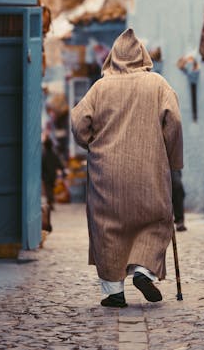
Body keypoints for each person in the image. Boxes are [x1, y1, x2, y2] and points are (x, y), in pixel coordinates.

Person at [71, 28, 183, 308]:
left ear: (112, 58)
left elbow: (78, 123)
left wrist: (90, 144)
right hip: (149, 172)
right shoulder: (158, 85)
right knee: (156, 221)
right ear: (143, 56)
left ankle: (114, 292)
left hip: (105, 173)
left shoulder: (100, 88)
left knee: (108, 228)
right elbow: (175, 123)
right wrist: (173, 160)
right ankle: (144, 271)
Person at [41, 136, 65, 211]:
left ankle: (50, 203)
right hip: (53, 176)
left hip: (46, 176)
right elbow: (60, 164)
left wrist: (41, 174)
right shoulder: (54, 154)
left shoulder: (43, 155)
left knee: (48, 190)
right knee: (50, 189)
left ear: (45, 145)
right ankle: (50, 203)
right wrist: (62, 169)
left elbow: (41, 165)